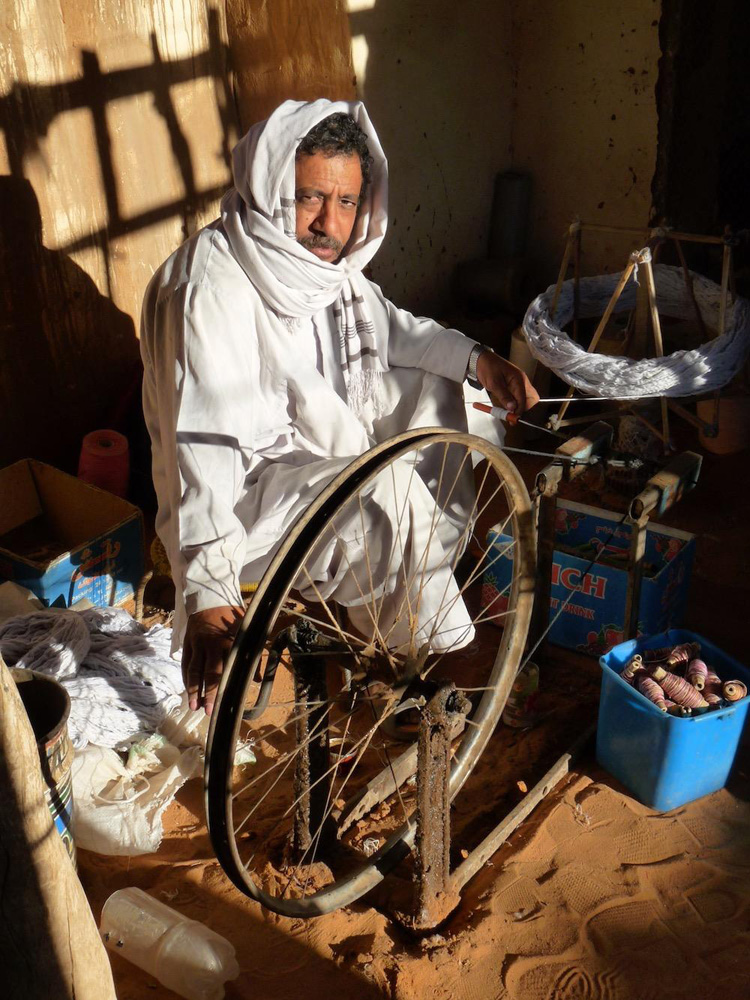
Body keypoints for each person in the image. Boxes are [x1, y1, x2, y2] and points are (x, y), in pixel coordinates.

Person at [141, 98, 539, 716]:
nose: (330, 224)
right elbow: (202, 449)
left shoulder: (327, 272)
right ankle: (428, 658)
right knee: (389, 492)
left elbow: (397, 331)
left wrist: (482, 361)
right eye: (309, 198)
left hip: (311, 452)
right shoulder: (208, 289)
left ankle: (397, 613)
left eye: (347, 202)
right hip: (248, 504)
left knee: (448, 393)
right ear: (270, 188)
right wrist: (209, 588)